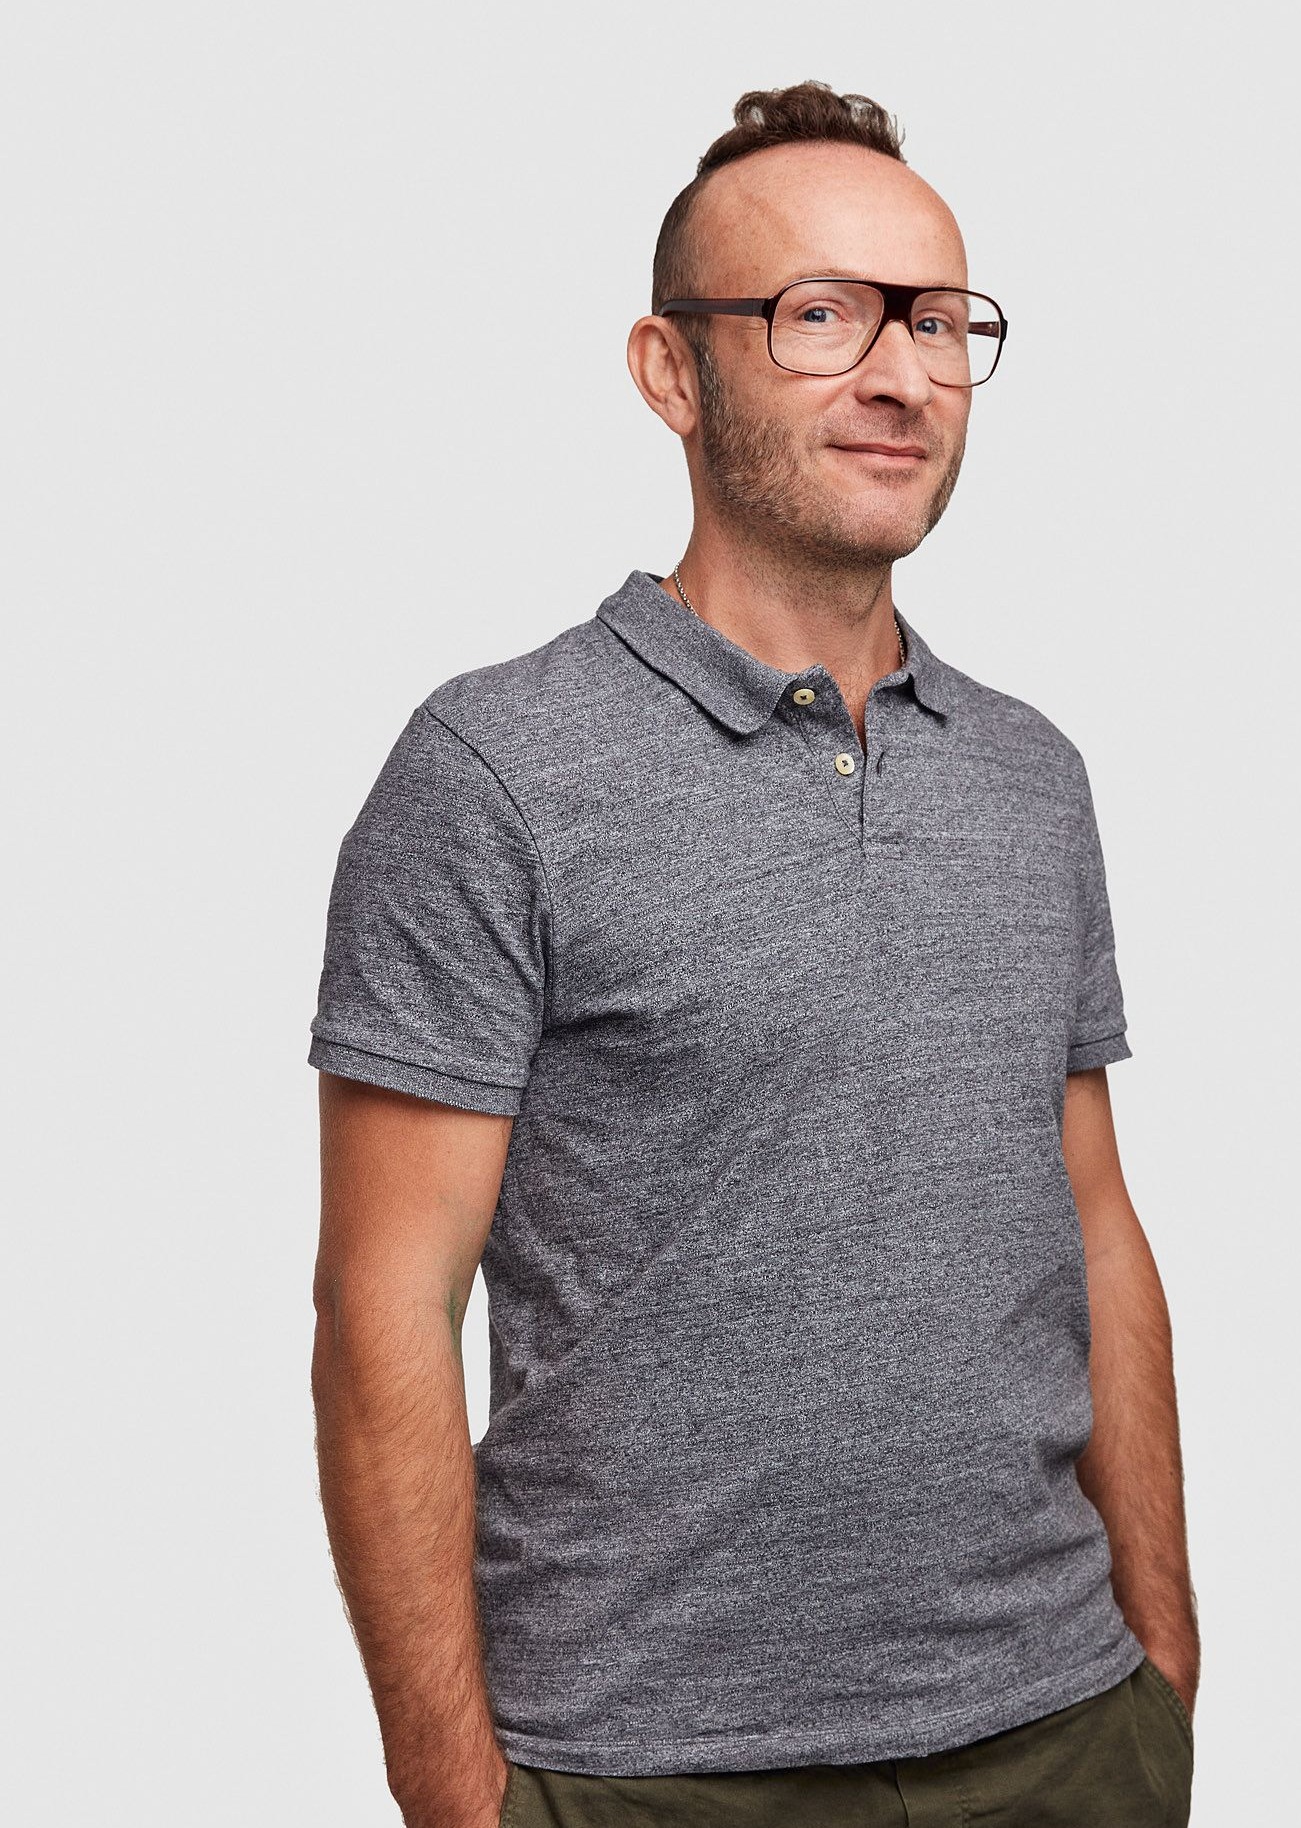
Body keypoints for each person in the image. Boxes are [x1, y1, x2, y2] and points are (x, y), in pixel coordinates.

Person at [308, 78, 1198, 1828]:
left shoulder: (1032, 775)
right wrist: (458, 1798)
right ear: (671, 371)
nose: (900, 373)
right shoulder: (494, 771)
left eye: (935, 320)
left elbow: (1097, 1230)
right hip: (647, 1771)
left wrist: (1162, 1664)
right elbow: (381, 1313)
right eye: (820, 315)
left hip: (1065, 1733)